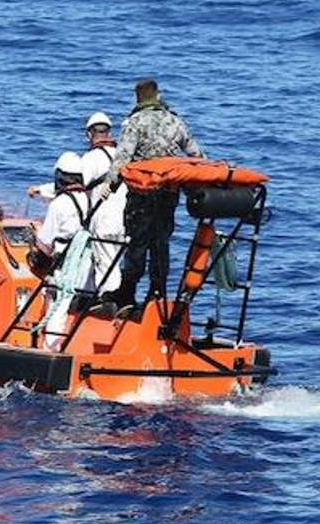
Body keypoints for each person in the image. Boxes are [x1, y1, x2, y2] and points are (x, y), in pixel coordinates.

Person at [100, 78, 204, 310]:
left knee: (137, 241)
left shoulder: (134, 122)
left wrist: (110, 185)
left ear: (138, 98)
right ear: (158, 96)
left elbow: (122, 158)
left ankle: (127, 292)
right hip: (167, 193)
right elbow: (196, 154)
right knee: (160, 242)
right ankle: (157, 293)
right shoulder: (175, 121)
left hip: (141, 193)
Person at [30, 152, 93, 350]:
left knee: (58, 308)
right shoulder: (90, 199)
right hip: (87, 263)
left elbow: (45, 243)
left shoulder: (59, 204)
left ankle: (51, 349)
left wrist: (35, 234)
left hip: (65, 266)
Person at [79, 112, 126, 295]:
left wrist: (41, 190)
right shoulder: (123, 157)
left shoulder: (90, 159)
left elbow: (74, 185)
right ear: (109, 133)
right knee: (115, 263)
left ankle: (108, 303)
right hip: (124, 222)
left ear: (89, 134)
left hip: (103, 220)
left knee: (106, 265)